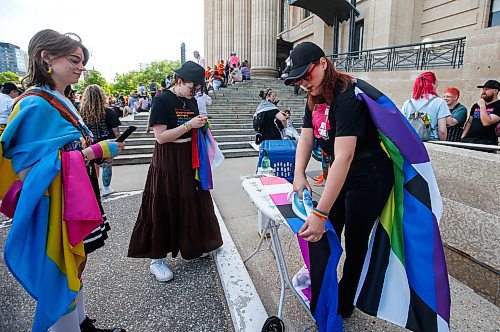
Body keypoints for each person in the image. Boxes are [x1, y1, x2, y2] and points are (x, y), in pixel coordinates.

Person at [0, 29, 125, 332]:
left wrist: (93, 155)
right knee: (60, 273)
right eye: (74, 60)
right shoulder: (34, 104)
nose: (82, 67)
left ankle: (81, 324)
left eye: (82, 61)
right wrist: (92, 151)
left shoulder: (60, 99)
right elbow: (29, 173)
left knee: (76, 266)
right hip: (53, 205)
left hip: (73, 197)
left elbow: (65, 152)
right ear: (46, 58)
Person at [284, 42, 394, 318]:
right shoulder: (314, 95)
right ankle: (323, 286)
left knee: (356, 242)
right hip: (341, 172)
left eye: (306, 75)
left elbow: (344, 156)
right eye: (298, 80)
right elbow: (307, 136)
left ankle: (346, 302)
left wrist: (321, 212)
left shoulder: (346, 96)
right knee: (327, 233)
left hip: (369, 175)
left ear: (323, 63)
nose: (304, 84)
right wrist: (299, 174)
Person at [128, 61, 223, 282]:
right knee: (164, 203)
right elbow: (161, 137)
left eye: (198, 89)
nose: (195, 92)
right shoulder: (162, 99)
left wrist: (200, 124)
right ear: (179, 81)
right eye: (193, 87)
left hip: (189, 158)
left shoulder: (189, 99)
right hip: (168, 160)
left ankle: (193, 245)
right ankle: (156, 260)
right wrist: (190, 125)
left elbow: (192, 126)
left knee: (192, 201)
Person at [80, 84, 121, 197]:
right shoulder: (109, 112)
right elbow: (116, 132)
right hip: (108, 144)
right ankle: (106, 188)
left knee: (93, 168)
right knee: (107, 165)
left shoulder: (81, 113)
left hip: (90, 145)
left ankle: (94, 188)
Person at [401, 71, 450, 141]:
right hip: (431, 141)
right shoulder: (439, 102)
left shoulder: (408, 103)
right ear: (433, 84)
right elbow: (442, 131)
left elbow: (402, 125)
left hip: (411, 141)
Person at [461, 80, 500, 145]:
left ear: (495, 91)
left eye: (486, 89)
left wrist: (482, 106)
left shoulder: (498, 105)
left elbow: (486, 122)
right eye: (483, 89)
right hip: (469, 140)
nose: (483, 92)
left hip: (486, 141)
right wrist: (463, 136)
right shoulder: (476, 105)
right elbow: (469, 122)